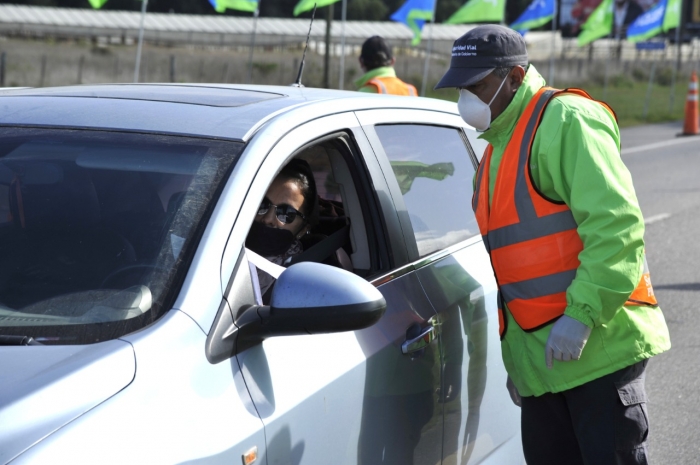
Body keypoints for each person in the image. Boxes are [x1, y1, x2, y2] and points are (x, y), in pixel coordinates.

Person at [435, 25, 670, 464]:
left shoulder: (566, 120)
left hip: (596, 350)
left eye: (478, 85)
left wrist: (580, 317)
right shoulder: (495, 153)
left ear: (516, 77)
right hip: (544, 369)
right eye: (461, 86)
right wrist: (521, 366)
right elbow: (516, 270)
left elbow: (616, 228)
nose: (467, 97)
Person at [245, 159, 318, 302]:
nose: (268, 219)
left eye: (286, 213)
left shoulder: (303, 281)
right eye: (262, 204)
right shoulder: (218, 248)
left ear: (303, 229)